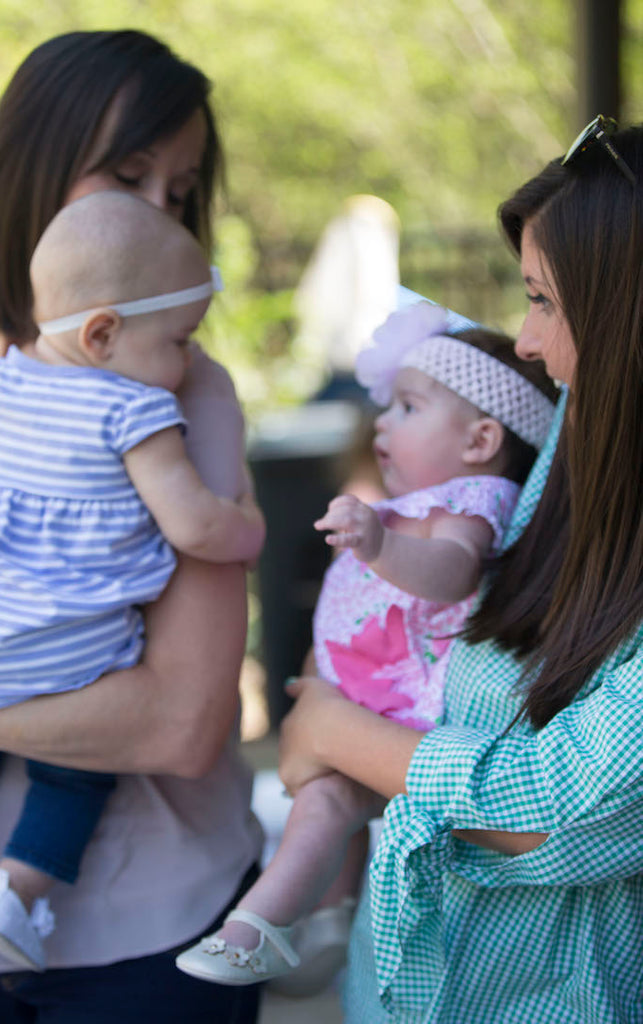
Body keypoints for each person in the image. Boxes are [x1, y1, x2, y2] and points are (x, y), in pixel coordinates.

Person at [276, 118, 643, 1023]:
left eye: (545, 301)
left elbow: (569, 807)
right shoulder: (576, 428)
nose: (522, 339)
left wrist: (333, 730)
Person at [0, 29, 264, 1023]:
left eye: (177, 191)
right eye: (128, 174)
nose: (157, 211)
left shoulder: (175, 390)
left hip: (143, 930)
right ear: (35, 156)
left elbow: (179, 724)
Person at [174, 302, 558, 987]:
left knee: (326, 802)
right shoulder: (421, 501)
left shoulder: (471, 502)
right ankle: (323, 916)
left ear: (479, 440)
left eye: (407, 407)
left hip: (410, 707)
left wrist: (379, 545)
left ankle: (256, 926)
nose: (380, 421)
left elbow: (450, 575)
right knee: (325, 807)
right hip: (371, 695)